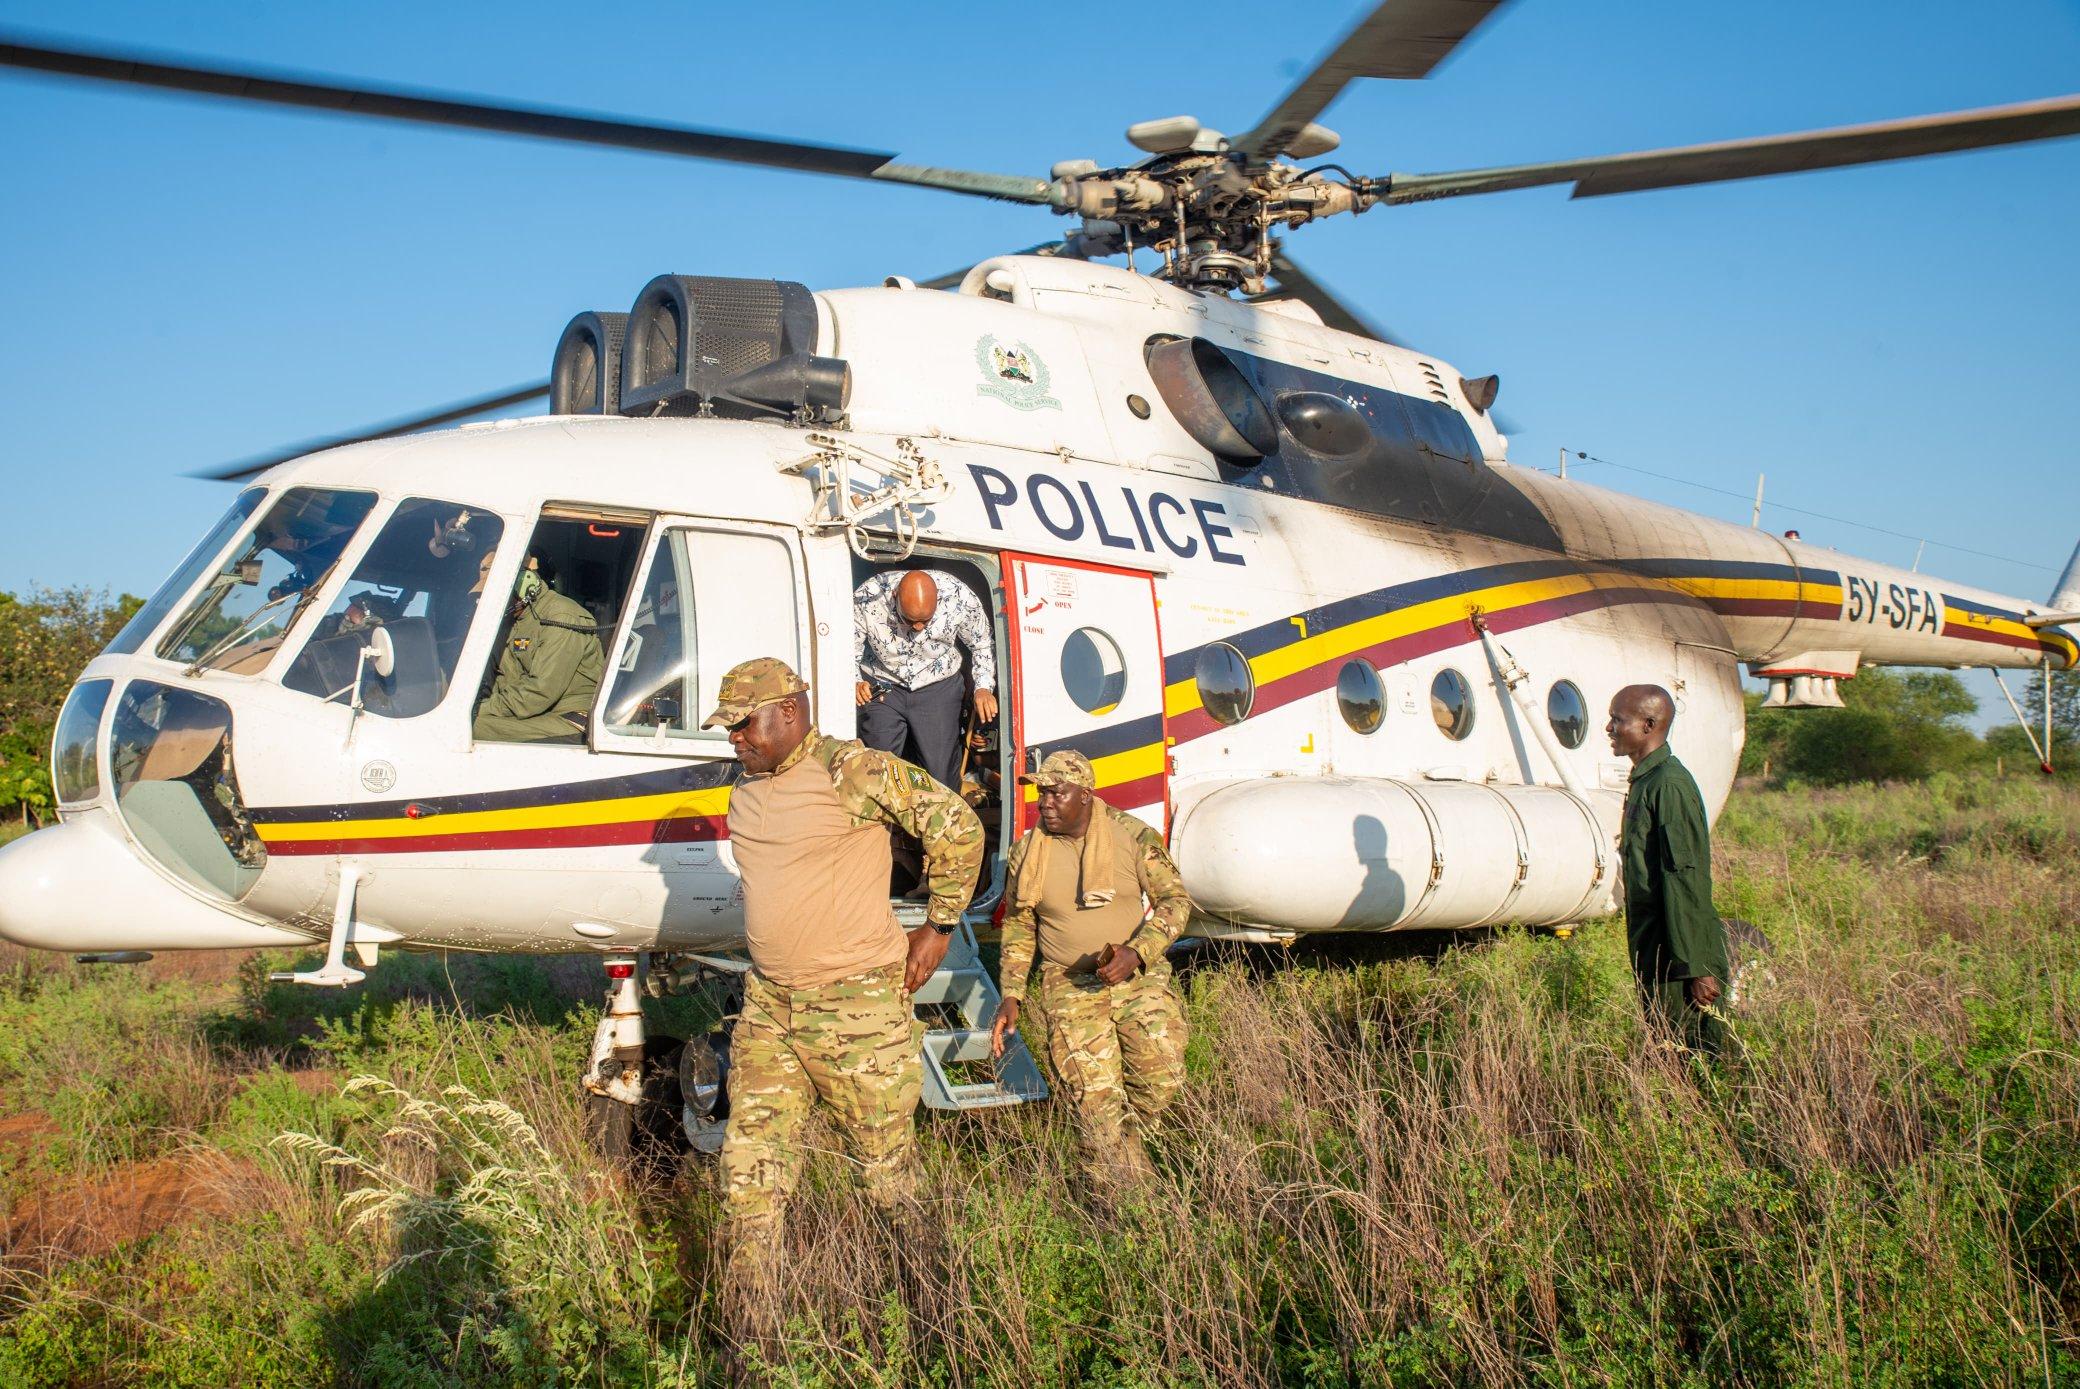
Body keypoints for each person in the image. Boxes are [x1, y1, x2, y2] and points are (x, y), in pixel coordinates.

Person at [703, 657, 984, 1315]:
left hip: (855, 1009)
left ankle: (940, 1317)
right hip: (772, 1008)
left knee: (887, 1176)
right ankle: (753, 1334)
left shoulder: (851, 770)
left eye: (744, 724)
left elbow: (959, 828)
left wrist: (940, 925)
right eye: (729, 728)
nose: (734, 738)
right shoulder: (744, 791)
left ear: (791, 711)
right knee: (750, 1179)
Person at [989, 751, 1192, 1184]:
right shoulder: (1028, 852)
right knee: (1094, 1102)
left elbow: (1176, 901)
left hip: (1138, 976)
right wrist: (1012, 992)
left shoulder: (1132, 837)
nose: (1044, 802)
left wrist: (1138, 951)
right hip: (1068, 984)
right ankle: (1120, 1197)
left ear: (1085, 795)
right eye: (1041, 792)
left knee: (1162, 1076)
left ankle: (1129, 1149)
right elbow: (1021, 924)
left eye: (1056, 792)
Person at [1606, 684, 1731, 1057]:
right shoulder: (1646, 781)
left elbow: (1685, 880)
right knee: (1667, 1054)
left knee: (1692, 1060)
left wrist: (1696, 967)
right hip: (1658, 951)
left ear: (1648, 725)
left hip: (1679, 960)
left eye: (1618, 720)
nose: (1609, 728)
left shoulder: (1669, 786)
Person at [853, 568, 998, 793]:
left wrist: (983, 687)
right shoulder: (868, 596)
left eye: (925, 621)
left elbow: (981, 643)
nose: (919, 629)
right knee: (877, 769)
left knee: (940, 773)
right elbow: (844, 645)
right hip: (883, 684)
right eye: (910, 621)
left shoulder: (958, 595)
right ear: (894, 597)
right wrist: (854, 681)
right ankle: (885, 827)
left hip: (938, 686)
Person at [471, 559, 604, 743]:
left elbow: (539, 692)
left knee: (468, 727)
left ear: (525, 585)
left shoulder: (561, 616)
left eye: (496, 593)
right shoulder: (511, 621)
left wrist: (478, 709)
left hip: (567, 718)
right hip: (533, 712)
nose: (487, 602)